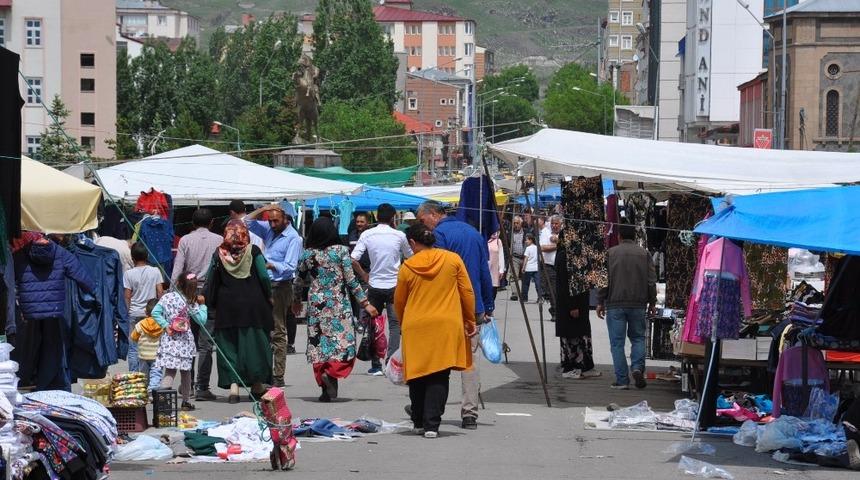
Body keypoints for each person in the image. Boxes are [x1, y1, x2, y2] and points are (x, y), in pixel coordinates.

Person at [394, 224, 477, 439]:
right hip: (446, 324)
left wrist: (404, 323)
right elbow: (467, 292)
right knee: (440, 374)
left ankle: (419, 422)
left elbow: (399, 301)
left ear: (412, 242)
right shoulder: (453, 260)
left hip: (416, 325)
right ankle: (432, 425)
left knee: (417, 374)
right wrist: (470, 319)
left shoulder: (407, 266)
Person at [416, 200, 493, 430]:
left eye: (422, 221)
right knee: (469, 360)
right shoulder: (473, 233)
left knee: (438, 360)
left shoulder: (439, 236)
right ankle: (470, 413)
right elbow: (483, 272)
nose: (423, 228)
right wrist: (487, 305)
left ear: (433, 214)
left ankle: (429, 409)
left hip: (447, 306)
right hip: (474, 305)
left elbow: (437, 272)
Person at [296, 217, 378, 402]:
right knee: (342, 344)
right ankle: (332, 374)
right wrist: (366, 304)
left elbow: (299, 280)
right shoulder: (341, 251)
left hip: (317, 305)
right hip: (338, 305)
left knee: (319, 347)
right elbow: (351, 281)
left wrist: (295, 302)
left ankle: (325, 388)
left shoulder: (307, 254)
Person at [205, 220, 273, 404]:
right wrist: (270, 295)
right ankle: (257, 385)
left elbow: (211, 279)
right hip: (253, 306)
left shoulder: (219, 253)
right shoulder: (253, 251)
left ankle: (233, 387)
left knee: (228, 346)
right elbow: (264, 276)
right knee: (254, 345)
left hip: (226, 306)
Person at [351, 203, 412, 375]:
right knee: (394, 325)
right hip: (394, 284)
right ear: (393, 218)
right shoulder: (399, 235)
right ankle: (390, 361)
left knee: (372, 323)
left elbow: (353, 259)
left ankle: (375, 363)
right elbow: (410, 257)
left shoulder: (367, 234)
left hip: (374, 284)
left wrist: (364, 275)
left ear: (377, 218)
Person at [246, 204, 303, 388]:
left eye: (275, 220)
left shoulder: (293, 238)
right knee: (262, 330)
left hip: (280, 286)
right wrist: (265, 208)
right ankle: (264, 372)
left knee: (278, 331)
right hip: (264, 283)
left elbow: (290, 266)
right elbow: (247, 221)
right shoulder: (270, 229)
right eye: (269, 220)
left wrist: (270, 265)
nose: (271, 224)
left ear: (286, 219)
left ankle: (278, 375)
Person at [171, 208, 223, 402]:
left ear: (193, 224)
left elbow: (178, 270)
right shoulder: (219, 240)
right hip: (210, 293)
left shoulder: (185, 240)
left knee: (187, 339)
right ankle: (202, 386)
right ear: (211, 223)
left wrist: (171, 295)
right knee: (205, 344)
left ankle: (188, 385)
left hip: (187, 292)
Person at [597, 223, 657, 390]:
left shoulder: (610, 253)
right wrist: (652, 303)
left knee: (617, 343)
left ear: (619, 236)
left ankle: (622, 380)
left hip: (615, 303)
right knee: (638, 338)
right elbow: (651, 282)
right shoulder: (645, 254)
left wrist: (600, 301)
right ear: (635, 236)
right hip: (638, 303)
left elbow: (604, 281)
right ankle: (637, 368)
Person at [152, 272, 208, 411]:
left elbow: (155, 312)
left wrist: (166, 325)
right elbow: (201, 320)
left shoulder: (167, 297)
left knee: (169, 372)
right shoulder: (190, 301)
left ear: (178, 283)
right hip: (184, 341)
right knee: (186, 372)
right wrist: (203, 306)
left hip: (170, 339)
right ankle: (185, 401)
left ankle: (162, 402)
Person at [555, 228, 601, 380]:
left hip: (580, 302)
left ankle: (586, 365)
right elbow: (565, 283)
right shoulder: (563, 256)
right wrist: (572, 305)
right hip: (570, 304)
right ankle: (571, 367)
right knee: (572, 335)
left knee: (582, 334)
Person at [124, 242, 164, 372]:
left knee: (134, 347)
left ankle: (134, 377)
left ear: (132, 257)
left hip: (134, 313)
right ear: (147, 256)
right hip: (152, 313)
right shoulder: (155, 271)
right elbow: (160, 292)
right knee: (153, 345)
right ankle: (152, 375)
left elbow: (127, 296)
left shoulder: (128, 274)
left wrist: (127, 311)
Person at [130, 299, 164, 393]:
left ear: (145, 312)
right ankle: (153, 389)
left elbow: (133, 337)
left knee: (143, 374)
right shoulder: (162, 324)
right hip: (157, 356)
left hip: (143, 355)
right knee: (156, 373)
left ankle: (143, 389)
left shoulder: (140, 324)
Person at [540, 215, 562, 320]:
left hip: (562, 266)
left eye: (556, 223)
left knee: (560, 290)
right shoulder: (545, 232)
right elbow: (543, 247)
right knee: (552, 290)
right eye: (552, 223)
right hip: (549, 265)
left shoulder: (564, 233)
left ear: (560, 224)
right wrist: (558, 246)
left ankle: (557, 310)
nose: (554, 225)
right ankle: (555, 312)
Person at [507, 216, 526, 301]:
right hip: (515, 257)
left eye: (517, 223)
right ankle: (514, 293)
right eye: (514, 223)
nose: (515, 225)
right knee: (514, 276)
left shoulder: (526, 232)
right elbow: (507, 243)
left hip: (526, 257)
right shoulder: (510, 233)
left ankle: (524, 294)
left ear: (521, 223)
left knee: (525, 277)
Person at [521, 234, 542, 303]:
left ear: (531, 240)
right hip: (536, 268)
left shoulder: (528, 248)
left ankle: (524, 298)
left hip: (528, 268)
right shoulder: (537, 247)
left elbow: (526, 259)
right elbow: (540, 258)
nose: (525, 241)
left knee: (525, 284)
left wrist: (523, 267)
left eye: (527, 240)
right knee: (537, 283)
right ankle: (540, 297)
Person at [487, 232, 505, 301]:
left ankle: (491, 308)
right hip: (485, 269)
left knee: (493, 291)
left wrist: (501, 270)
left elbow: (501, 255)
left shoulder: (498, 241)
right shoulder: (484, 239)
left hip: (494, 270)